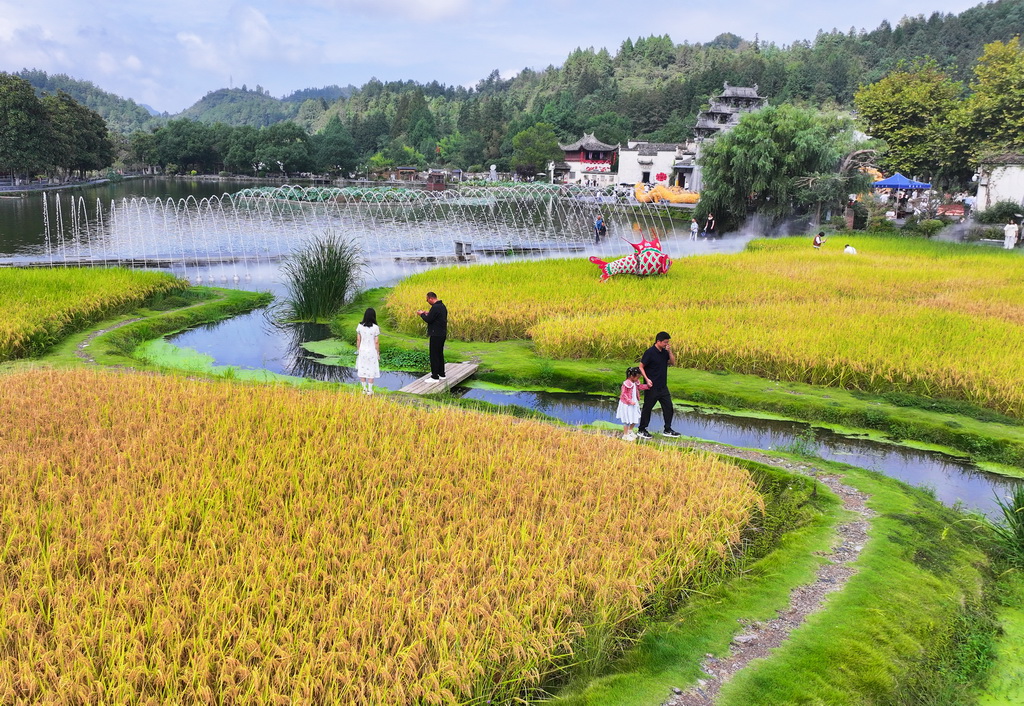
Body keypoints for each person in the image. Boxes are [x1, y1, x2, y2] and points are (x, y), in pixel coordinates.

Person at [636, 332, 680, 439]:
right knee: (648, 408)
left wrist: (669, 351)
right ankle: (642, 430)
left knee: (668, 407)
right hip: (651, 387)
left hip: (663, 386)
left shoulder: (665, 352)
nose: (667, 344)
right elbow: (641, 366)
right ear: (658, 341)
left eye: (668, 342)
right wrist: (647, 380)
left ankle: (667, 429)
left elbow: (673, 362)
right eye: (665, 342)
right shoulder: (650, 352)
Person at [416, 291, 448, 380]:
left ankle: (434, 376)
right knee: (439, 354)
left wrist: (421, 314)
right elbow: (435, 317)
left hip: (436, 334)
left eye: (427, 300)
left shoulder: (435, 307)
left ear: (431, 298)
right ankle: (442, 374)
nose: (427, 301)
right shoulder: (442, 306)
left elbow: (429, 320)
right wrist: (428, 313)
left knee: (434, 355)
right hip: (442, 333)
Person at [355, 307, 380, 395]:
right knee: (371, 370)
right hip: (372, 351)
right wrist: (378, 352)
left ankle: (364, 388)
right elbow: (376, 342)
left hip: (362, 350)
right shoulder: (375, 328)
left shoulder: (360, 326)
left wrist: (358, 350)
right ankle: (370, 390)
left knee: (363, 368)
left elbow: (358, 340)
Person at [616, 366, 644, 441]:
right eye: (637, 377)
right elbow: (623, 394)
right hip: (627, 404)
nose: (638, 379)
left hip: (634, 403)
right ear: (632, 376)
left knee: (636, 416)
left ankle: (630, 431)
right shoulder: (626, 384)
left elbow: (639, 387)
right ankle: (625, 435)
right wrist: (629, 401)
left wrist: (647, 386)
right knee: (627, 419)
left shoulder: (635, 382)